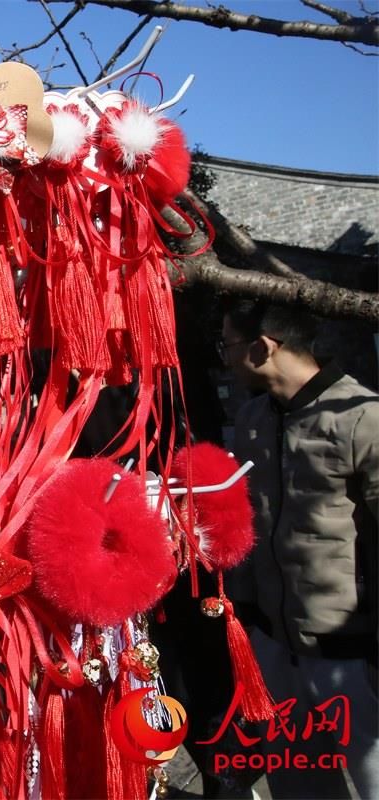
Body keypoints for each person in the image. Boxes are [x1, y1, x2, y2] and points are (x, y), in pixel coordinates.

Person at [221, 299, 378, 799]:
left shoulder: (361, 417)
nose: (225, 358)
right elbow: (249, 517)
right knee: (298, 784)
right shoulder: (251, 417)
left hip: (351, 651)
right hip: (275, 643)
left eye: (228, 346)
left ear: (263, 348)